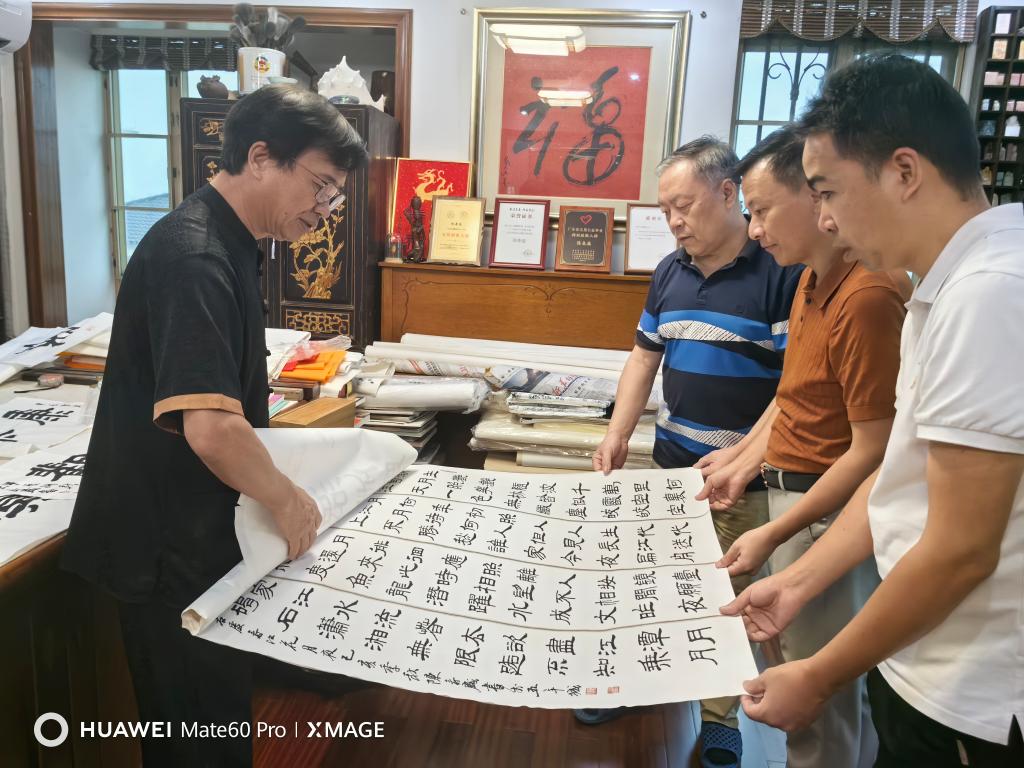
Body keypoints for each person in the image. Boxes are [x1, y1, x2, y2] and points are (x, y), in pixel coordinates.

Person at [723, 54, 1024, 767]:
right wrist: (796, 581)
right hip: (925, 661)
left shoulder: (989, 292)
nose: (824, 217)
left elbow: (960, 549)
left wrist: (820, 675)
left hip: (969, 690)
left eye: (828, 190)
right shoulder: (948, 284)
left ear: (904, 171)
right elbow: (899, 478)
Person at [61, 85, 369, 767]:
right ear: (260, 157)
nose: (325, 209)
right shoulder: (196, 256)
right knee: (197, 738)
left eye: (334, 196)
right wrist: (289, 500)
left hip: (193, 533)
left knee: (213, 727)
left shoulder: (229, 240)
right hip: (166, 549)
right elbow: (211, 428)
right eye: (320, 186)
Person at [580, 136, 802, 768]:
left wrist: (746, 458)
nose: (673, 221)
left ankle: (720, 718)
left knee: (724, 597)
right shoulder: (669, 271)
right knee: (648, 582)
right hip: (670, 466)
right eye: (664, 210)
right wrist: (619, 432)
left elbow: (795, 387)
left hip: (742, 481)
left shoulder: (779, 271)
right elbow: (643, 357)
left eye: (683, 206)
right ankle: (634, 683)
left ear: (728, 193)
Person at [696, 123, 910, 768]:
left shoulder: (867, 295)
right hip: (792, 500)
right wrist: (742, 459)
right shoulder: (811, 282)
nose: (755, 229)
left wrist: (775, 530)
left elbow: (872, 450)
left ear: (816, 198)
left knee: (819, 700)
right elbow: (793, 398)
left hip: (825, 515)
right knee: (793, 671)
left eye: (763, 210)